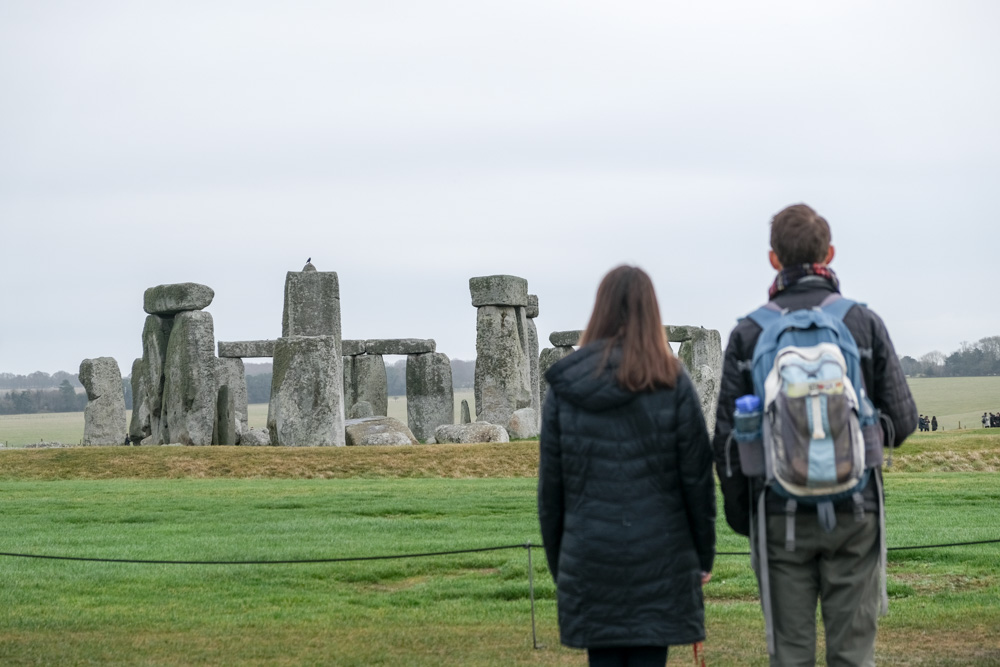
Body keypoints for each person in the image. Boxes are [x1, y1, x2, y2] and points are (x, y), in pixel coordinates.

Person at [712, 204, 917, 667]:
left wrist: (747, 520)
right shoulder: (862, 324)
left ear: (773, 259)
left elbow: (727, 444)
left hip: (778, 513)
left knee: (791, 656)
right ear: (830, 253)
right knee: (852, 656)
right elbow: (903, 420)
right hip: (856, 509)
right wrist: (867, 440)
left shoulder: (749, 333)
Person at [538, 265, 716, 667]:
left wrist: (561, 564)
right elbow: (698, 480)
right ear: (652, 312)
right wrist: (703, 555)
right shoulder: (673, 381)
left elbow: (551, 491)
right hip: (661, 556)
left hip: (590, 556)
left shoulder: (565, 387)